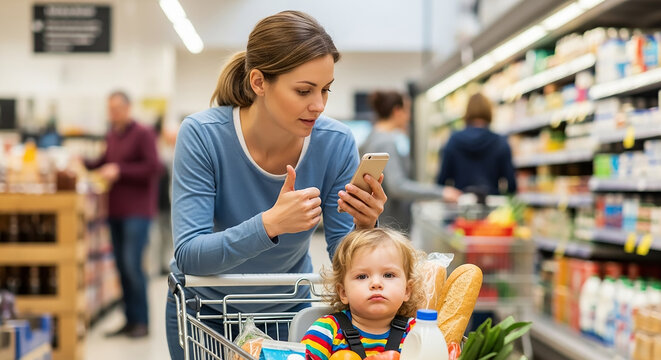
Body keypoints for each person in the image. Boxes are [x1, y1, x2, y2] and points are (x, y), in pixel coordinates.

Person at [165, 11, 387, 359]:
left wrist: (365, 227)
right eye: (303, 90)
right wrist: (270, 225)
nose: (318, 105)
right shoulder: (202, 136)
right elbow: (190, 255)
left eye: (325, 90)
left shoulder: (336, 143)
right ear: (259, 82)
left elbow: (344, 261)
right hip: (204, 314)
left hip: (287, 314)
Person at [85, 91, 160, 338]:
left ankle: (142, 322)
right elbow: (103, 161)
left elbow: (153, 167)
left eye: (117, 108)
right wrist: (81, 161)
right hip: (115, 211)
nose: (113, 113)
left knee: (132, 265)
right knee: (120, 266)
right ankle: (129, 319)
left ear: (128, 108)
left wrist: (120, 170)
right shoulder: (112, 136)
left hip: (137, 212)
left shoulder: (143, 133)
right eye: (110, 109)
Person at [302, 228, 423, 359]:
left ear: (407, 290)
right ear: (343, 293)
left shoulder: (417, 333)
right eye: (362, 276)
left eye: (388, 275)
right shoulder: (327, 331)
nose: (376, 283)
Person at [360, 90, 461, 232]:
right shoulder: (386, 142)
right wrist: (441, 193)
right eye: (407, 110)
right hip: (391, 225)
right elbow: (398, 186)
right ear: (397, 111)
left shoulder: (372, 137)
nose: (409, 117)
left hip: (379, 222)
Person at [436, 92, 517, 199]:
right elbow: (511, 185)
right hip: (492, 211)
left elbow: (441, 182)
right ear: (489, 113)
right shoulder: (500, 142)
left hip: (460, 208)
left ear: (467, 113)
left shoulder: (453, 140)